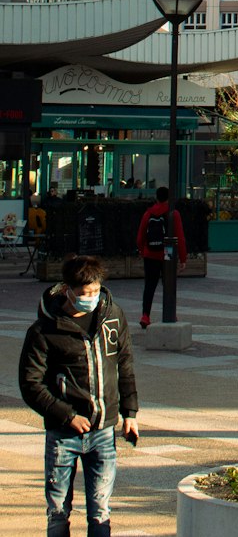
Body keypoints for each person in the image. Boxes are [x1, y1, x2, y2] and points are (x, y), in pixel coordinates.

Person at [18, 254, 139, 537]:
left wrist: (130, 413)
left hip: (103, 431)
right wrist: (66, 415)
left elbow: (125, 364)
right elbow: (30, 384)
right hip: (63, 434)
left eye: (96, 291)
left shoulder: (113, 316)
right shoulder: (44, 330)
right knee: (58, 512)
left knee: (101, 512)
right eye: (84, 293)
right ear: (68, 291)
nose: (91, 297)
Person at [136, 186, 187, 328]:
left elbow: (140, 237)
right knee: (168, 285)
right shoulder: (173, 213)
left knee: (149, 286)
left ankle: (145, 315)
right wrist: (183, 258)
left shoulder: (148, 213)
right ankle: (170, 313)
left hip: (150, 253)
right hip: (167, 252)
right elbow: (180, 237)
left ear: (156, 197)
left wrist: (142, 251)